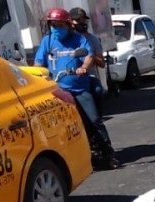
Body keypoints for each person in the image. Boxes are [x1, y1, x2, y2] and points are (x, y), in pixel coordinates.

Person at [34, 7, 119, 169]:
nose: (56, 29)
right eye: (54, 25)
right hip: (57, 92)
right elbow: (38, 63)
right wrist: (38, 75)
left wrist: (84, 68)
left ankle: (109, 154)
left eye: (60, 25)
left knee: (94, 121)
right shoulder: (48, 41)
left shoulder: (80, 39)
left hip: (79, 89)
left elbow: (89, 55)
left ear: (67, 25)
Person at [69, 7, 106, 114]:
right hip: (70, 76)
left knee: (98, 90)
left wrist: (92, 55)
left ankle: (98, 116)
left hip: (88, 76)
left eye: (83, 20)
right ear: (70, 22)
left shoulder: (92, 39)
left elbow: (102, 63)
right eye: (78, 20)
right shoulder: (66, 40)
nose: (82, 23)